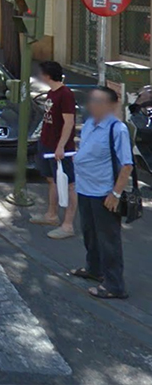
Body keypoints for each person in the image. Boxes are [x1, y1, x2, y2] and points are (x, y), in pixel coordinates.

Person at [70, 86, 134, 300]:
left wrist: (115, 194)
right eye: (92, 101)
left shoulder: (117, 129)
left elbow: (127, 165)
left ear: (111, 106)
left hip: (104, 194)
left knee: (108, 240)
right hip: (84, 188)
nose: (93, 105)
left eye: (99, 102)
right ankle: (94, 269)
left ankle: (115, 285)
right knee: (89, 232)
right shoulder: (90, 124)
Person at [31, 61, 78, 238]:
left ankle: (68, 225)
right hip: (47, 143)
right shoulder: (52, 93)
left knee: (69, 184)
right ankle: (51, 215)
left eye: (41, 73)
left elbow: (69, 122)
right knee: (52, 180)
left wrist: (61, 146)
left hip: (59, 147)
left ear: (47, 75)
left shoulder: (65, 94)